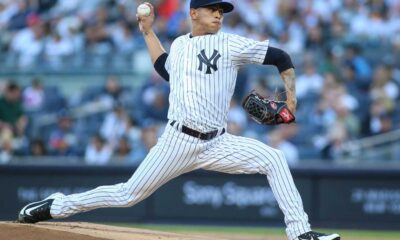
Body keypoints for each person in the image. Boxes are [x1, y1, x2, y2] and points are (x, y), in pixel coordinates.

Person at [17, 1, 340, 240]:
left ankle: (300, 233)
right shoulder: (181, 45)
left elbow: (281, 57)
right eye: (212, 8)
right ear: (193, 13)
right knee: (127, 195)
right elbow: (163, 68)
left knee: (274, 157)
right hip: (177, 141)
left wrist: (292, 99)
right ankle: (57, 206)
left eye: (222, 10)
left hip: (218, 142)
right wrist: (147, 32)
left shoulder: (230, 43)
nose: (218, 14)